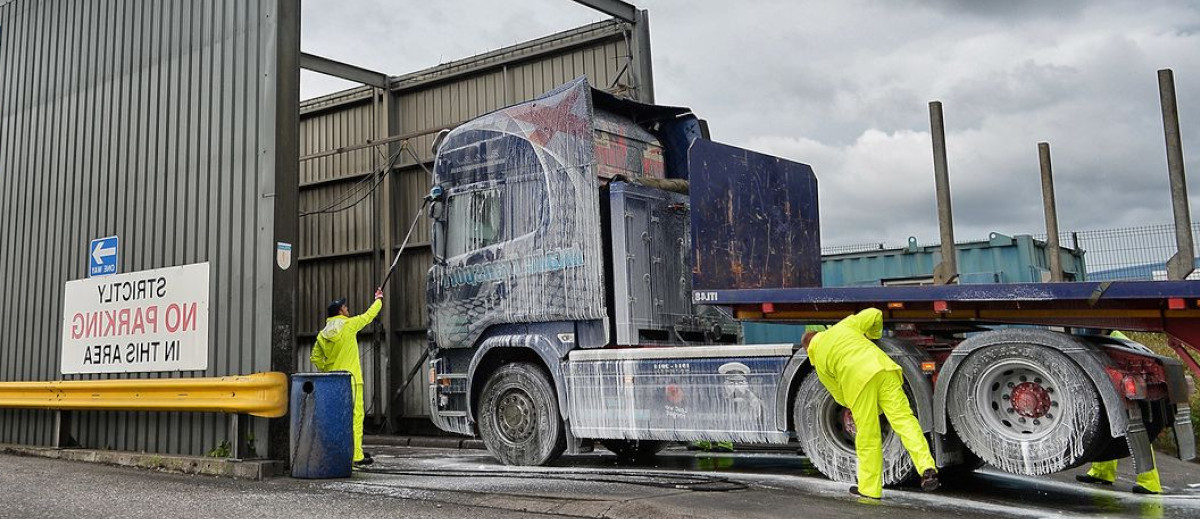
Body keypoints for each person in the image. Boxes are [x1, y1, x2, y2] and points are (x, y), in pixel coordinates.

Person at [802, 308, 939, 499]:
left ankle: (869, 489)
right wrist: (873, 337)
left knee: (868, 436)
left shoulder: (820, 362)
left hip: (858, 383)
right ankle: (926, 467)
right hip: (885, 369)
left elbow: (839, 396)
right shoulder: (844, 326)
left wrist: (860, 406)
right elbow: (875, 313)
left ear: (809, 348)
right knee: (904, 420)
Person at [1075, 331, 1163, 494]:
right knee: (1109, 430)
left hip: (1129, 394)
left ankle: (1150, 483)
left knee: (1138, 434)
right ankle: (1102, 473)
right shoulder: (1110, 337)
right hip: (1119, 391)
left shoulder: (1114, 339)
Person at [311, 288, 384, 467]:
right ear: (340, 311)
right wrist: (379, 299)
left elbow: (314, 357)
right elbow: (369, 316)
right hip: (352, 381)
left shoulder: (323, 334)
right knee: (355, 418)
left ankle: (338, 452)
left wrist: (327, 368)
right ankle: (356, 455)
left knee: (337, 419)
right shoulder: (349, 325)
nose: (347, 308)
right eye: (345, 307)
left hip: (333, 382)